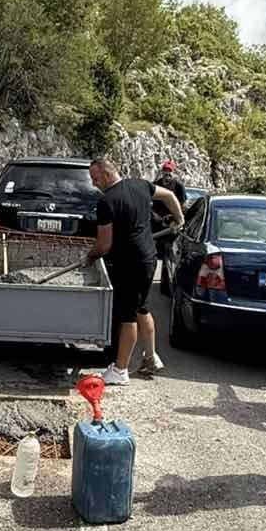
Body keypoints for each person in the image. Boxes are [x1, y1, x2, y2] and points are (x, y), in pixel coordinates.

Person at [85, 155, 184, 385]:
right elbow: (169, 196)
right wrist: (179, 219)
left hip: (129, 265)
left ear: (107, 174)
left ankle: (120, 370)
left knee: (126, 315)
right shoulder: (141, 185)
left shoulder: (107, 202)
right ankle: (150, 357)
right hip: (148, 259)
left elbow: (104, 245)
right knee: (141, 307)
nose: (94, 183)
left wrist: (90, 257)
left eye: (95, 178)